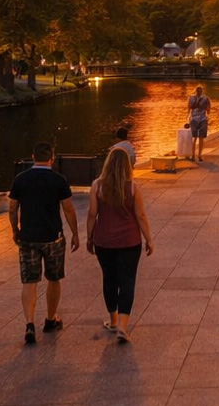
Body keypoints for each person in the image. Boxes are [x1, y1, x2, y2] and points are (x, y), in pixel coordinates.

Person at [8, 143, 79, 345]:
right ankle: (50, 318)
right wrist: (75, 233)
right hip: (53, 237)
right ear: (52, 158)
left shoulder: (21, 179)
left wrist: (15, 230)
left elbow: (13, 208)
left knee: (29, 281)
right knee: (53, 278)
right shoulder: (59, 180)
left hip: (28, 237)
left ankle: (30, 324)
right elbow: (68, 209)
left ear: (32, 156)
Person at [87, 149, 153, 343]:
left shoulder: (97, 186)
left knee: (109, 278)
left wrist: (89, 238)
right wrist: (149, 239)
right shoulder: (132, 188)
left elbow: (92, 215)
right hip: (129, 242)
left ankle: (113, 320)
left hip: (104, 242)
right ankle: (123, 327)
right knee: (127, 281)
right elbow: (140, 216)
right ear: (127, 166)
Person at [187, 85, 211, 163]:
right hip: (203, 119)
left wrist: (188, 119)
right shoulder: (206, 99)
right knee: (201, 138)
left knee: (194, 138)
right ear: (202, 91)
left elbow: (188, 109)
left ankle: (193, 155)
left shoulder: (191, 98)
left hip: (193, 119)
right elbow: (208, 110)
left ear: (195, 91)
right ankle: (199, 155)